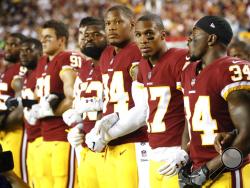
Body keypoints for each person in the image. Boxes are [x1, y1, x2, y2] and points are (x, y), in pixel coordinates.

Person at [179, 15, 250, 187]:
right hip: (198, 172)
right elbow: (191, 119)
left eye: (195, 34)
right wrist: (184, 157)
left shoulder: (231, 69)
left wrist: (207, 170)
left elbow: (248, 134)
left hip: (228, 172)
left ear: (211, 38)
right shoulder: (188, 71)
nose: (189, 39)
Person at [86, 5, 149, 188]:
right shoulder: (106, 54)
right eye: (108, 23)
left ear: (132, 24)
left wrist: (105, 135)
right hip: (111, 145)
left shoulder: (139, 51)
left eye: (118, 22)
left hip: (135, 141)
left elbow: (144, 108)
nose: (112, 27)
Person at [134, 13, 189, 187]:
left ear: (163, 35)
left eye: (149, 34)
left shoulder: (180, 58)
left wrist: (185, 151)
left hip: (176, 150)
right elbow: (144, 109)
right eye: (138, 35)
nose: (143, 40)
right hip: (153, 152)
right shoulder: (143, 65)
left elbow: (193, 107)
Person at [26, 20, 81, 188]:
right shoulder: (42, 62)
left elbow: (73, 97)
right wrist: (31, 107)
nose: (43, 41)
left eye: (48, 37)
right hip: (44, 136)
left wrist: (49, 111)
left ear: (62, 40)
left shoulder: (67, 57)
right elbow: (35, 94)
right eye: (42, 37)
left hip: (64, 135)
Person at [63, 16, 107, 188]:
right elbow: (82, 109)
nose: (86, 38)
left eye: (94, 34)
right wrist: (79, 127)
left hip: (113, 147)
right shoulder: (84, 68)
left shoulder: (114, 63)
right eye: (81, 34)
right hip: (87, 148)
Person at [0, 33, 27, 180]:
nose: (8, 48)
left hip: (15, 131)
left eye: (14, 44)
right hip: (4, 130)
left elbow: (22, 104)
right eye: (7, 44)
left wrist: (3, 123)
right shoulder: (7, 71)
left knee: (16, 175)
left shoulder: (20, 70)